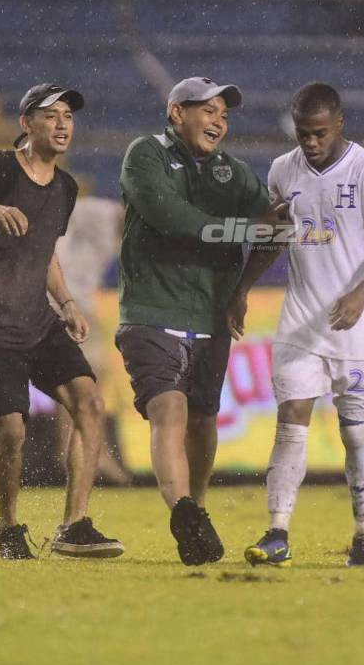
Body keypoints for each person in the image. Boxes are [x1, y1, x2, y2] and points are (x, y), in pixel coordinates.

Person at [0, 82, 123, 561]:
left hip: (38, 322)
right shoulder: (1, 167)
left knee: (89, 401)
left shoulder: (65, 188)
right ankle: (7, 525)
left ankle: (74, 525)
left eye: (68, 116)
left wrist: (66, 303)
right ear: (26, 124)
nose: (62, 124)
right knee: (13, 433)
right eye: (50, 115)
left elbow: (45, 255)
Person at [229, 82, 364, 568]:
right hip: (301, 323)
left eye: (320, 133)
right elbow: (275, 237)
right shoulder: (283, 171)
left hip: (357, 327)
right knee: (290, 425)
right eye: (303, 133)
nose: (310, 142)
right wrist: (242, 288)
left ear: (340, 124)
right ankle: (277, 532)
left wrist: (360, 294)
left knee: (354, 434)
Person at [116, 76, 288, 566]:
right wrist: (242, 229)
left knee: (203, 418)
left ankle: (198, 512)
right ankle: (185, 513)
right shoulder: (145, 154)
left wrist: (242, 289)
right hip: (151, 309)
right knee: (168, 410)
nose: (218, 121)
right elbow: (171, 217)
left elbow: (275, 226)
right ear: (177, 113)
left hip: (211, 313)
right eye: (208, 110)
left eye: (224, 115)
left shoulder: (231, 173)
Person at [52, 193, 132, 486]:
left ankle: (80, 447)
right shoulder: (102, 213)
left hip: (72, 298)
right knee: (88, 372)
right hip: (64, 299)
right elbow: (56, 213)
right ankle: (89, 451)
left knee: (85, 374)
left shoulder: (122, 233)